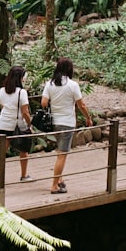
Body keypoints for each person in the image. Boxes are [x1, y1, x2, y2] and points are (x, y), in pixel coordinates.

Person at [41, 57, 93, 194]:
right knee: (62, 155)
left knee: (60, 152)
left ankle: (59, 180)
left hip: (54, 123)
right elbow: (81, 104)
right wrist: (88, 117)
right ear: (70, 69)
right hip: (67, 123)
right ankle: (54, 185)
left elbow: (44, 103)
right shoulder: (72, 85)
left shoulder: (50, 84)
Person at [0, 65, 34, 185]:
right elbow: (25, 112)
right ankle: (24, 175)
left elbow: (2, 106)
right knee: (24, 150)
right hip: (18, 125)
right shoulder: (22, 93)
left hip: (3, 123)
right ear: (20, 78)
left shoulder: (2, 90)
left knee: (1, 151)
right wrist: (30, 124)